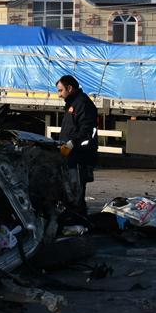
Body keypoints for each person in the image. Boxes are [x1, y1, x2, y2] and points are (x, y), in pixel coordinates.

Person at [55, 74, 98, 218]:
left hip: (80, 156)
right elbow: (71, 129)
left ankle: (78, 220)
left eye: (60, 91)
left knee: (76, 190)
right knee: (70, 190)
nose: (59, 95)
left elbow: (85, 131)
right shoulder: (73, 103)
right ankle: (74, 218)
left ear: (70, 88)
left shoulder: (82, 103)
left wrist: (70, 145)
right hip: (72, 154)